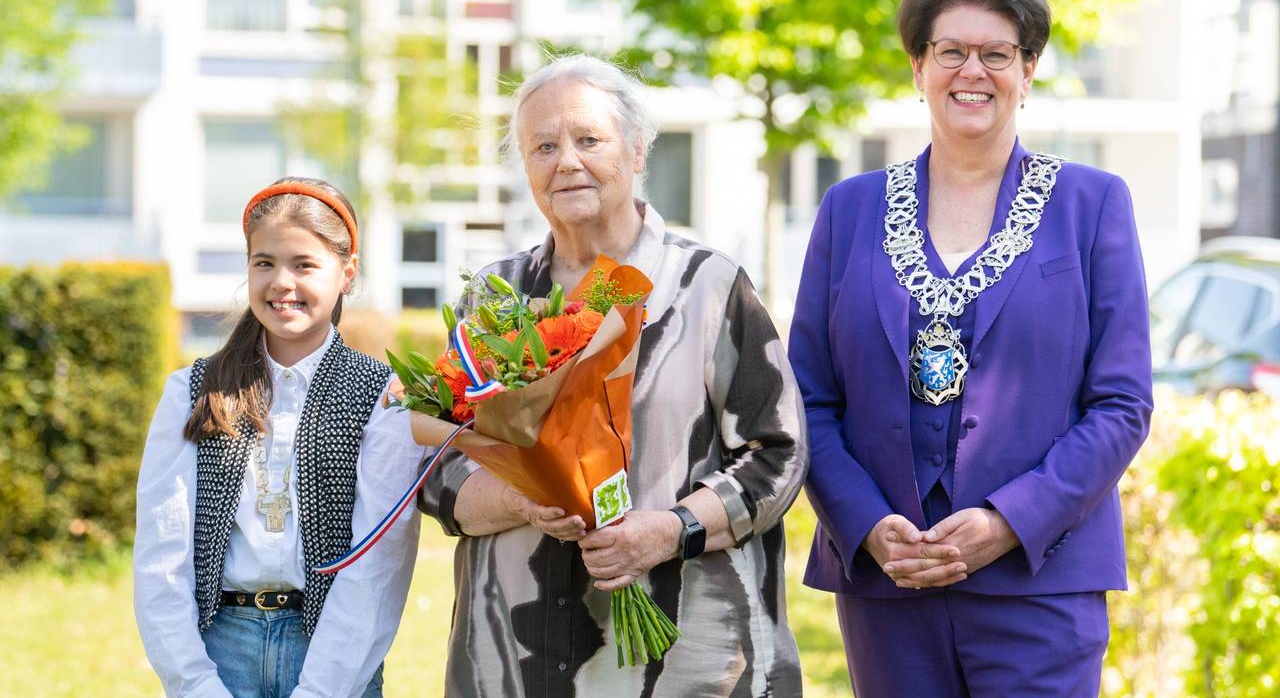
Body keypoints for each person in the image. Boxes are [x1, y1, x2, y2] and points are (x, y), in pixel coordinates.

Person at [789, 0, 1154, 695]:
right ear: (918, 67)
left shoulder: (1092, 204)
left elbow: (1122, 403)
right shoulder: (849, 209)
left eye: (997, 53)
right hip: (890, 586)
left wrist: (1009, 522)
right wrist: (864, 523)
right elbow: (807, 397)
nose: (973, 71)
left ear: (1029, 70)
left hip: (1039, 580)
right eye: (950, 51)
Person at [418, 54, 809, 697]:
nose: (565, 161)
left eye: (588, 139)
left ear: (637, 150)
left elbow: (776, 457)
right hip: (517, 660)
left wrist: (668, 531)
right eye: (543, 146)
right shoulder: (494, 296)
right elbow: (438, 464)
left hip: (688, 660)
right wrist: (522, 495)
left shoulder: (706, 287)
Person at [134, 177, 421, 698]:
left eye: (304, 264)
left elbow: (378, 566)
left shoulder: (383, 397)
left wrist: (321, 689)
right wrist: (195, 684)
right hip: (219, 650)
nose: (280, 282)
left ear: (347, 274)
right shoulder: (193, 392)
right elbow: (162, 556)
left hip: (332, 654)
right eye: (263, 263)